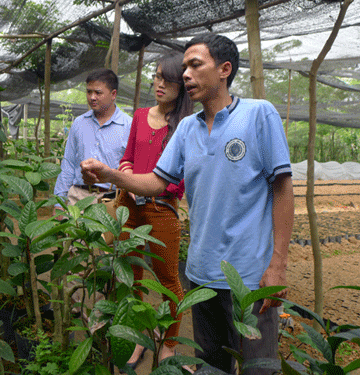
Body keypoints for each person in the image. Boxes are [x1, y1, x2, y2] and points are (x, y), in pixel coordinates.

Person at [80, 33, 294, 375]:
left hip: (251, 278)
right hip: (201, 275)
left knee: (258, 368)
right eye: (184, 68)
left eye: (195, 65)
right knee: (213, 365)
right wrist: (111, 174)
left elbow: (283, 189)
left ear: (224, 69)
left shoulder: (259, 115)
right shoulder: (186, 130)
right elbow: (157, 182)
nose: (186, 75)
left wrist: (278, 265)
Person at [117, 53, 193, 370]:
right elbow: (127, 158)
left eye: (168, 79)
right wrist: (128, 176)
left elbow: (179, 182)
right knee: (130, 274)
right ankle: (138, 337)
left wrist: (145, 185)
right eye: (157, 76)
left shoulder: (187, 126)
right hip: (128, 206)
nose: (160, 84)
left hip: (161, 210)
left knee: (168, 281)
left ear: (182, 86)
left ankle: (168, 344)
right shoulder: (139, 116)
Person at [53, 68, 132, 209]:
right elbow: (68, 165)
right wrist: (58, 203)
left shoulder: (129, 126)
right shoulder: (79, 123)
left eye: (98, 92)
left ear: (113, 94)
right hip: (78, 197)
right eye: (89, 92)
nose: (92, 97)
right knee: (73, 231)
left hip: (112, 200)